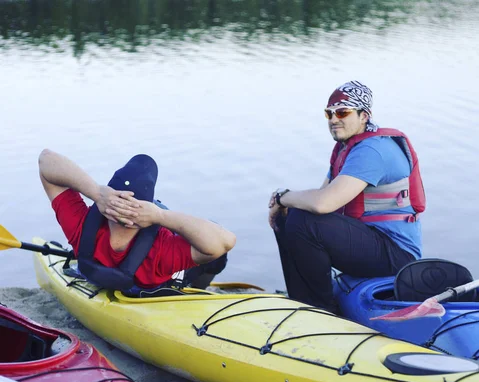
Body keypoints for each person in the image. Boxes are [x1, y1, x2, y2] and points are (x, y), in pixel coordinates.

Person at [268, 80, 425, 313]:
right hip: (373, 242)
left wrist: (281, 198)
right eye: (329, 113)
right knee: (294, 215)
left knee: (303, 220)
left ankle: (320, 309)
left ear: (364, 115)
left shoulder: (372, 150)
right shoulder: (348, 148)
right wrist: (285, 206)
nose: (333, 120)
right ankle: (304, 299)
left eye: (342, 112)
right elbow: (321, 198)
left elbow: (323, 204)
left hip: (396, 254)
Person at [39, 149, 236, 294]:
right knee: (217, 256)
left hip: (106, 262)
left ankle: (195, 289)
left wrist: (96, 192)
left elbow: (46, 160)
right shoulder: (162, 249)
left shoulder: (79, 226)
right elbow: (225, 242)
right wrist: (161, 216)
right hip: (159, 276)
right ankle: (197, 289)